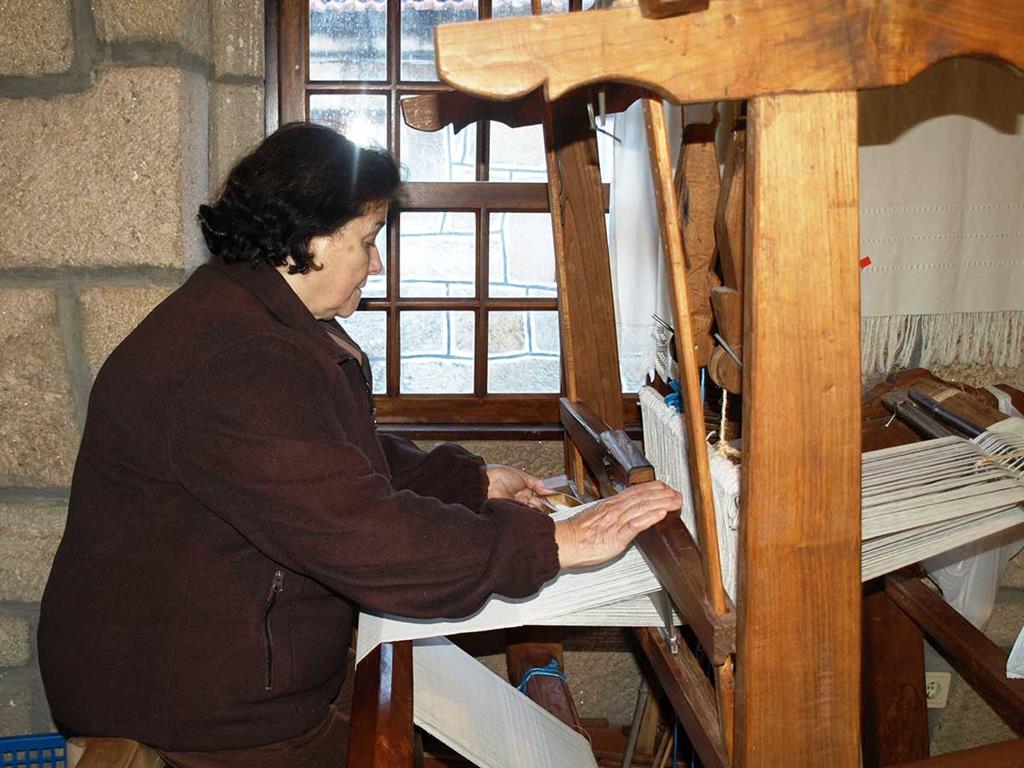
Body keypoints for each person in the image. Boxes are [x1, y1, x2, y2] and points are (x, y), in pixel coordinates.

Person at [38, 122, 681, 767]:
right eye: (369, 241)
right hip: (191, 695)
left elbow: (324, 456)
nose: (377, 264)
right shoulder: (240, 362)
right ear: (308, 239)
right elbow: (361, 533)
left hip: (216, 659)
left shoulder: (245, 315)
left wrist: (471, 482)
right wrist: (555, 544)